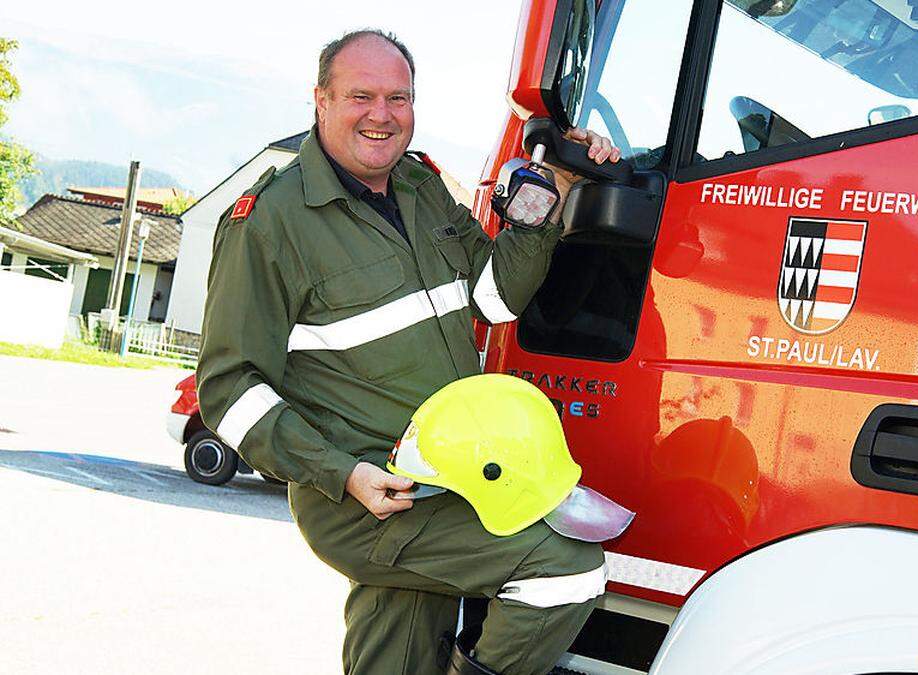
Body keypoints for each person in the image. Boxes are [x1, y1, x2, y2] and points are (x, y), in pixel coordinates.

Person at [196, 28, 620, 675]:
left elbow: (495, 298)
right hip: (362, 496)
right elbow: (229, 390)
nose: (382, 114)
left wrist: (552, 188)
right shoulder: (269, 221)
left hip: (447, 477)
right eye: (361, 96)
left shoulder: (421, 187)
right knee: (564, 571)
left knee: (393, 661)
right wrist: (341, 471)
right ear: (321, 100)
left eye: (399, 97)